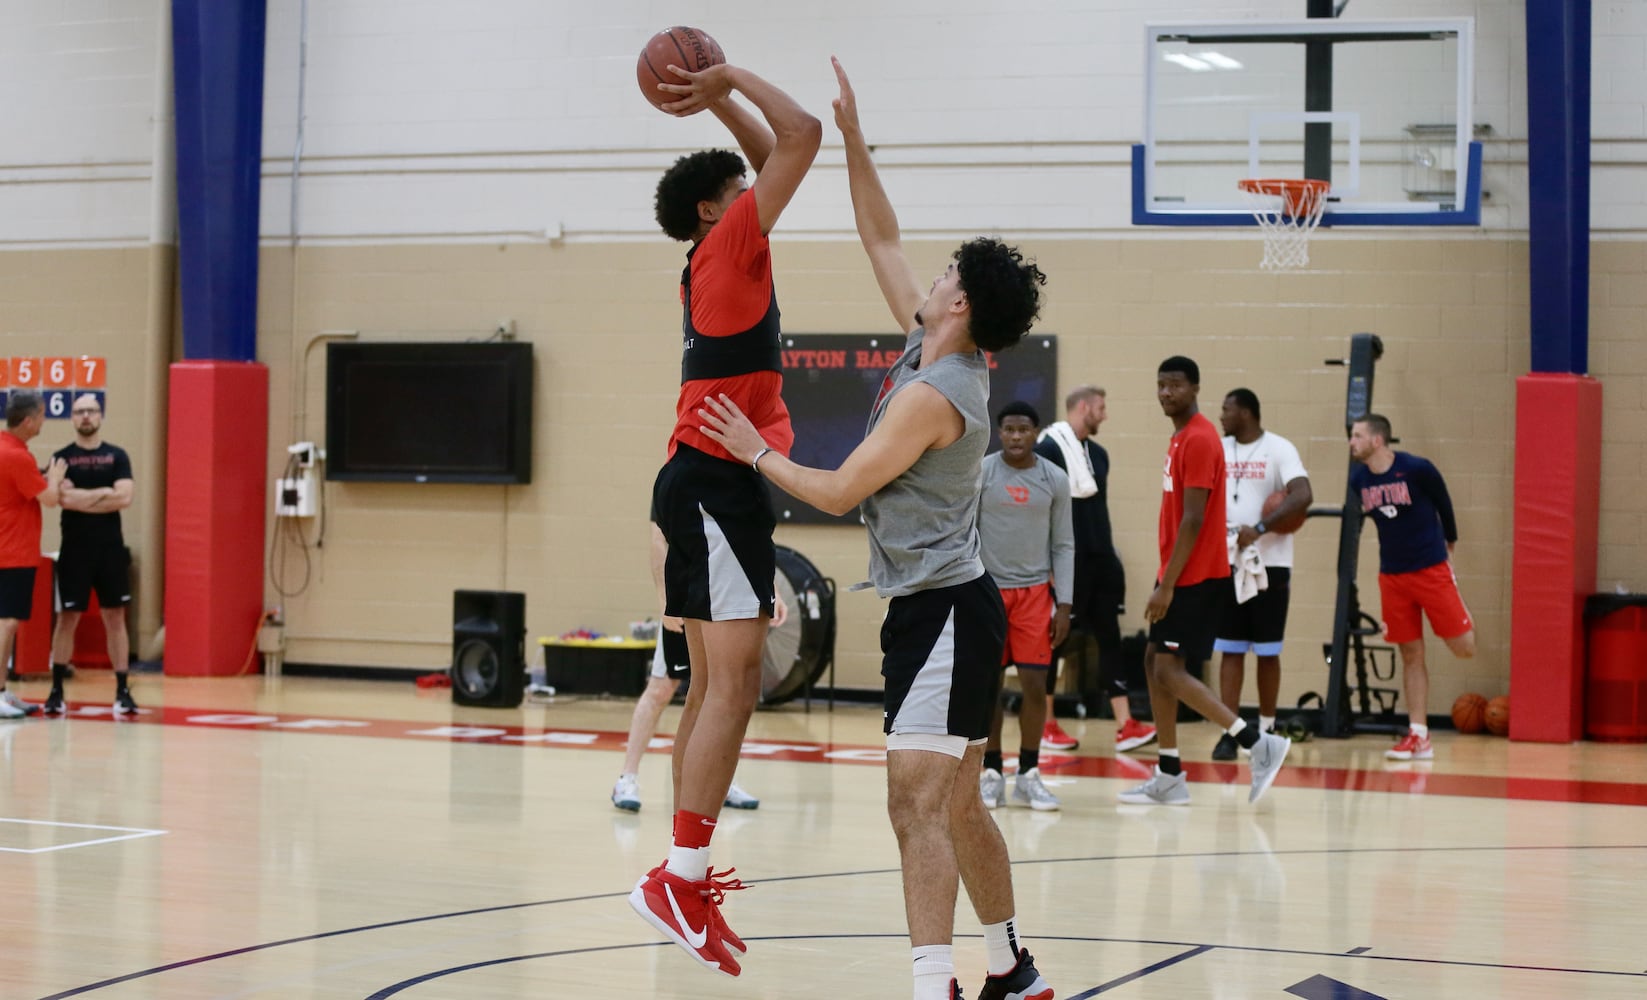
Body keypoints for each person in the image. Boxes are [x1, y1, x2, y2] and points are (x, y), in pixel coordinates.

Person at [698, 56, 1053, 1000]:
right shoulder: (925, 343)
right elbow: (879, 231)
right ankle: (1010, 965)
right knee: (957, 802)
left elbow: (837, 490)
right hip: (938, 610)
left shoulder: (941, 393)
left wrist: (751, 449)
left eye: (944, 274)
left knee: (913, 805)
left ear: (962, 304)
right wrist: (852, 135)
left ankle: (930, 983)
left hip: (942, 614)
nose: (928, 275)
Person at [625, 56, 821, 980]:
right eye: (738, 188)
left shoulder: (714, 249)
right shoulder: (732, 240)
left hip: (699, 480)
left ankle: (684, 875)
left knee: (709, 689)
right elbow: (802, 137)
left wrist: (718, 104)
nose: (755, 187)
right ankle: (681, 873)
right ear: (716, 207)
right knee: (736, 688)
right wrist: (728, 73)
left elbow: (767, 150)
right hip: (715, 483)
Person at [1118, 358, 1290, 807]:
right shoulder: (1180, 437)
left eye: (1174, 385)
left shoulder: (1198, 438)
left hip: (1195, 578)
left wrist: (1168, 584)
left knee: (1170, 670)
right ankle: (1170, 774)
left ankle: (1257, 742)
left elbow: (1193, 520)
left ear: (1195, 388)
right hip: (1179, 573)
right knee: (1154, 662)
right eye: (1160, 385)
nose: (1165, 392)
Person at [611, 523, 780, 814]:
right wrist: (665, 599)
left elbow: (750, 538)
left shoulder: (742, 481)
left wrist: (772, 589)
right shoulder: (678, 479)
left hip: (725, 600)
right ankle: (627, 778)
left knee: (726, 694)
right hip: (689, 600)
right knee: (662, 688)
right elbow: (657, 537)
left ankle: (721, 781)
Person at [1036, 385, 1157, 754]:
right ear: (1084, 407)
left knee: (1110, 637)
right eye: (1101, 408)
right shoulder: (1048, 448)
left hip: (1100, 558)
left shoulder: (1100, 455)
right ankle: (1045, 724)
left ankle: (1127, 725)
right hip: (1066, 561)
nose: (1105, 415)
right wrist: (1049, 564)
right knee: (1056, 639)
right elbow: (1043, 510)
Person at [1349, 413, 1475, 761]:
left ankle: (1456, 608)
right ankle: (1418, 735)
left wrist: (1450, 541)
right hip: (1392, 576)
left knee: (1464, 647)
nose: (1351, 441)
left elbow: (1443, 502)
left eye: (1357, 435)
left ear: (1377, 440)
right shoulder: (1358, 479)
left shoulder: (1417, 469)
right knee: (1410, 655)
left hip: (1431, 570)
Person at [976, 401, 1073, 813]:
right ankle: (992, 773)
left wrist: (1064, 604)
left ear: (1037, 433)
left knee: (1035, 685)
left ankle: (1029, 774)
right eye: (1009, 430)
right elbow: (964, 532)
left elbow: (1064, 544)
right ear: (1000, 433)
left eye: (1024, 430)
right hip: (988, 592)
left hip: (1036, 594)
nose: (1016, 437)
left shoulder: (1055, 479)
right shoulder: (981, 473)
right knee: (989, 687)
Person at [1210, 389, 1311, 760]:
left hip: (1271, 563)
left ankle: (1267, 730)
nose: (1221, 415)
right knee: (1230, 650)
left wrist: (1263, 525)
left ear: (1247, 413)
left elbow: (1303, 495)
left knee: (1268, 651)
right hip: (1227, 560)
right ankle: (1229, 729)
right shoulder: (1219, 449)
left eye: (1227, 409)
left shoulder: (1279, 448)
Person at [44, 394, 136, 716]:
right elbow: (59, 498)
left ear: (100, 415)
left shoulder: (117, 456)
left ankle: (123, 690)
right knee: (68, 618)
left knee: (115, 618)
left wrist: (81, 496)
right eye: (80, 411)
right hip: (75, 551)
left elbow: (124, 497)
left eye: (91, 411)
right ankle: (56, 690)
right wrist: (103, 495)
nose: (86, 416)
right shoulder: (61, 458)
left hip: (110, 550)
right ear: (72, 417)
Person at [0, 391, 67, 719]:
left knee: (8, 623)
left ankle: (2, 690)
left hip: (11, 550)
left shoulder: (9, 450)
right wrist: (53, 478)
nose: (43, 421)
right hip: (11, 551)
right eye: (41, 416)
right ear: (28, 421)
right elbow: (50, 498)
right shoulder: (16, 456)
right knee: (7, 622)